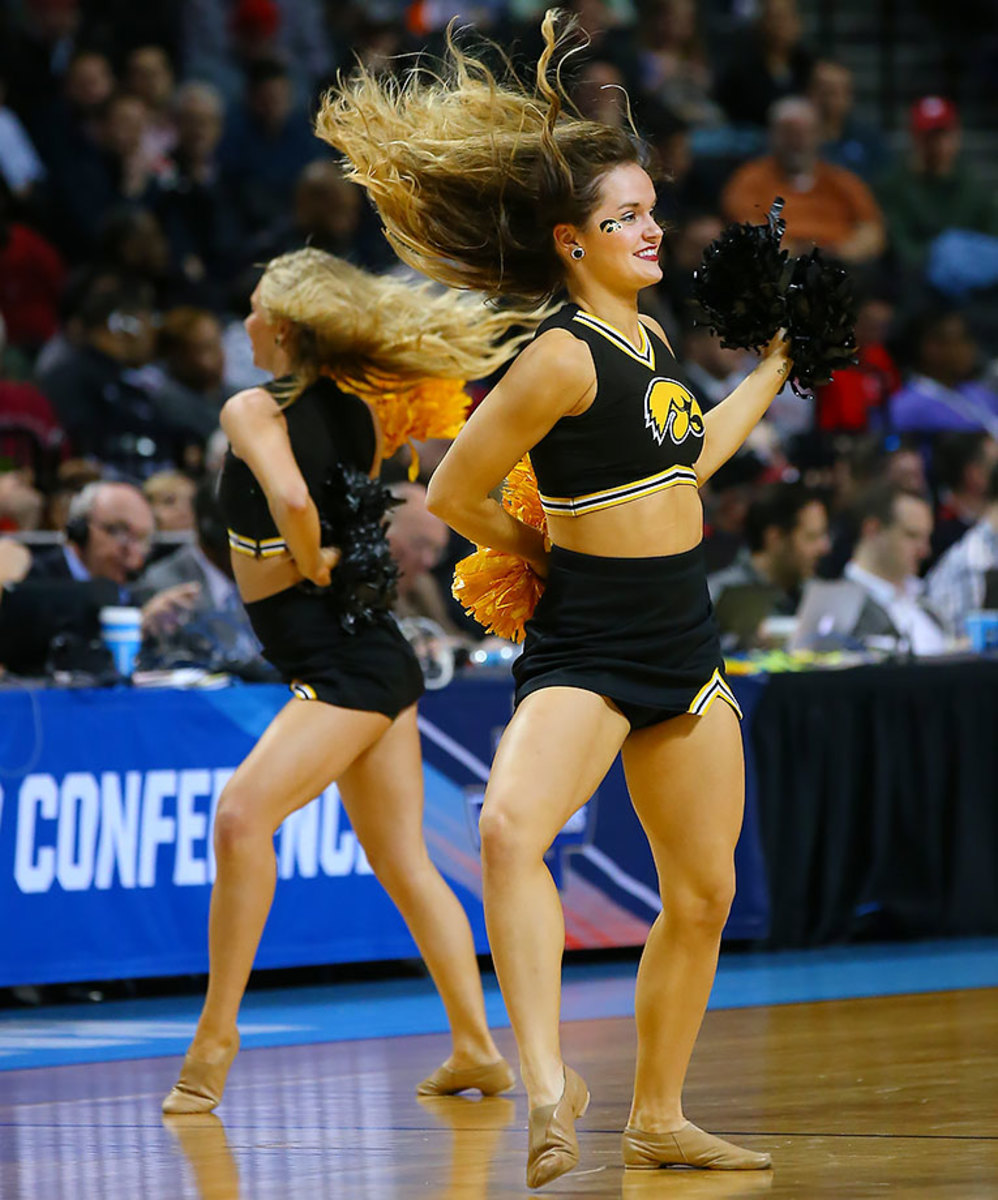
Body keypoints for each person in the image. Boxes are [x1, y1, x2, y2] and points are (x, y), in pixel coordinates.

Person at [317, 14, 788, 1185]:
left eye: (648, 210)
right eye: (624, 217)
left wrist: (777, 366)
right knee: (506, 829)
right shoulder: (561, 352)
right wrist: (539, 547)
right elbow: (456, 483)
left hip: (686, 635)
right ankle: (543, 1085)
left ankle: (659, 1116)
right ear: (573, 243)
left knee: (705, 891)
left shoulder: (650, 333)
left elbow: (689, 462)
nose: (648, 229)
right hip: (591, 638)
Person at [161, 246, 530, 1115]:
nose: (245, 321)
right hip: (371, 651)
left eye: (254, 308)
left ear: (283, 329)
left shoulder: (253, 407)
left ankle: (216, 1034)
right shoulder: (359, 414)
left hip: (344, 662)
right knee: (403, 860)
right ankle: (477, 1049)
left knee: (242, 817)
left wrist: (313, 560)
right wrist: (332, 559)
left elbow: (293, 502)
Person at [721, 96, 886, 266]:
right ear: (771, 135)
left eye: (804, 132)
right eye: (788, 132)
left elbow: (871, 229)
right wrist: (792, 252)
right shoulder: (749, 180)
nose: (796, 141)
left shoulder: (843, 181)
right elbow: (745, 229)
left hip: (838, 268)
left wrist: (843, 252)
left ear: (819, 135)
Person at [842, 483, 948, 655]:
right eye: (912, 536)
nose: (924, 551)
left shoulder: (925, 597)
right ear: (873, 530)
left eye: (926, 538)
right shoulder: (842, 606)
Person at [708, 483, 830, 616]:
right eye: (811, 537)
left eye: (823, 535)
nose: (825, 547)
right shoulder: (719, 597)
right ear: (775, 539)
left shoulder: (812, 593)